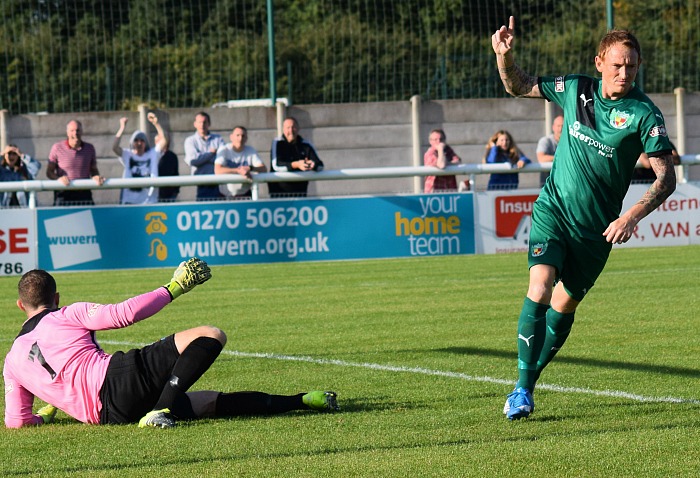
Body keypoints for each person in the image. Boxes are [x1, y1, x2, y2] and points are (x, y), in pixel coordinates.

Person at [492, 17, 677, 420]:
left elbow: (666, 179)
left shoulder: (645, 113)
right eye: (616, 65)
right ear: (599, 63)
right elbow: (518, 85)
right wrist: (504, 57)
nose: (624, 72)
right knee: (540, 288)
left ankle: (527, 383)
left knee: (564, 305)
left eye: (630, 66)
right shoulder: (576, 88)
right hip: (553, 212)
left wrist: (631, 216)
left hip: (598, 230)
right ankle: (522, 390)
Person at [3, 258, 340, 429]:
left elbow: (16, 421)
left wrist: (44, 417)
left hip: (111, 415)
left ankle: (301, 401)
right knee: (210, 334)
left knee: (207, 404)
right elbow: (124, 313)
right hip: (119, 379)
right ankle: (160, 411)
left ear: (21, 305)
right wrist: (175, 287)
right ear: (56, 297)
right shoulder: (66, 314)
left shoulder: (12, 362)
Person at [46, 120, 105, 206]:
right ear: (67, 133)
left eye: (78, 130)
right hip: (63, 193)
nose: (75, 133)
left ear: (82, 132)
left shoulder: (90, 148)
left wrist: (96, 176)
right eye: (72, 130)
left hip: (84, 193)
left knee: (88, 219)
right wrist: (58, 179)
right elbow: (49, 172)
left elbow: (94, 170)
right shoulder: (57, 147)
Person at [113, 113, 166, 205]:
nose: (139, 143)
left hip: (149, 201)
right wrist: (122, 127)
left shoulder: (152, 154)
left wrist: (156, 124)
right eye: (136, 140)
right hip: (129, 201)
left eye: (142, 140)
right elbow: (115, 147)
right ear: (132, 143)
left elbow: (164, 141)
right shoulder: (127, 154)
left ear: (146, 143)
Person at [269, 117, 324, 198]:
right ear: (283, 129)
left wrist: (312, 165)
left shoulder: (306, 144)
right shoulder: (277, 143)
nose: (291, 131)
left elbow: (320, 166)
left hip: (300, 195)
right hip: (279, 195)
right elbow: (277, 166)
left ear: (298, 129)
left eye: (293, 127)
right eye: (288, 128)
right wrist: (297, 164)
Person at [215, 126, 267, 200]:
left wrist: (250, 168)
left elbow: (263, 169)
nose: (240, 139)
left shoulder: (250, 150)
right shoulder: (224, 150)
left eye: (243, 136)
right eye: (237, 135)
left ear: (246, 138)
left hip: (245, 195)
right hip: (225, 196)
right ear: (231, 137)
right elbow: (217, 170)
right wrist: (238, 170)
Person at [184, 112, 225, 201]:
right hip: (201, 184)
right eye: (199, 122)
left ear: (209, 124)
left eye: (204, 122)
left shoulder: (218, 139)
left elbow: (223, 159)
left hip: (218, 183)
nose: (202, 125)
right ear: (195, 124)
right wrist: (211, 153)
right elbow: (193, 161)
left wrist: (202, 158)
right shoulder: (190, 141)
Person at [423, 129, 461, 193]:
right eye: (435, 139)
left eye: (441, 139)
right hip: (434, 193)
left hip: (450, 192)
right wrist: (440, 149)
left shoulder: (447, 149)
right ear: (430, 141)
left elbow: (458, 162)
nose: (438, 142)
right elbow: (441, 165)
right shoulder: (429, 153)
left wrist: (446, 163)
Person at [536, 114, 564, 186]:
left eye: (563, 126)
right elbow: (541, 158)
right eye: (558, 126)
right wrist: (561, 158)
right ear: (553, 127)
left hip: (565, 184)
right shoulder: (546, 141)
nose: (560, 129)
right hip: (547, 185)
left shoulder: (571, 142)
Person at [156, 132, 180, 202]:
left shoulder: (172, 156)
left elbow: (176, 173)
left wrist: (176, 190)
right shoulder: (153, 156)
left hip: (171, 193)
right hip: (157, 193)